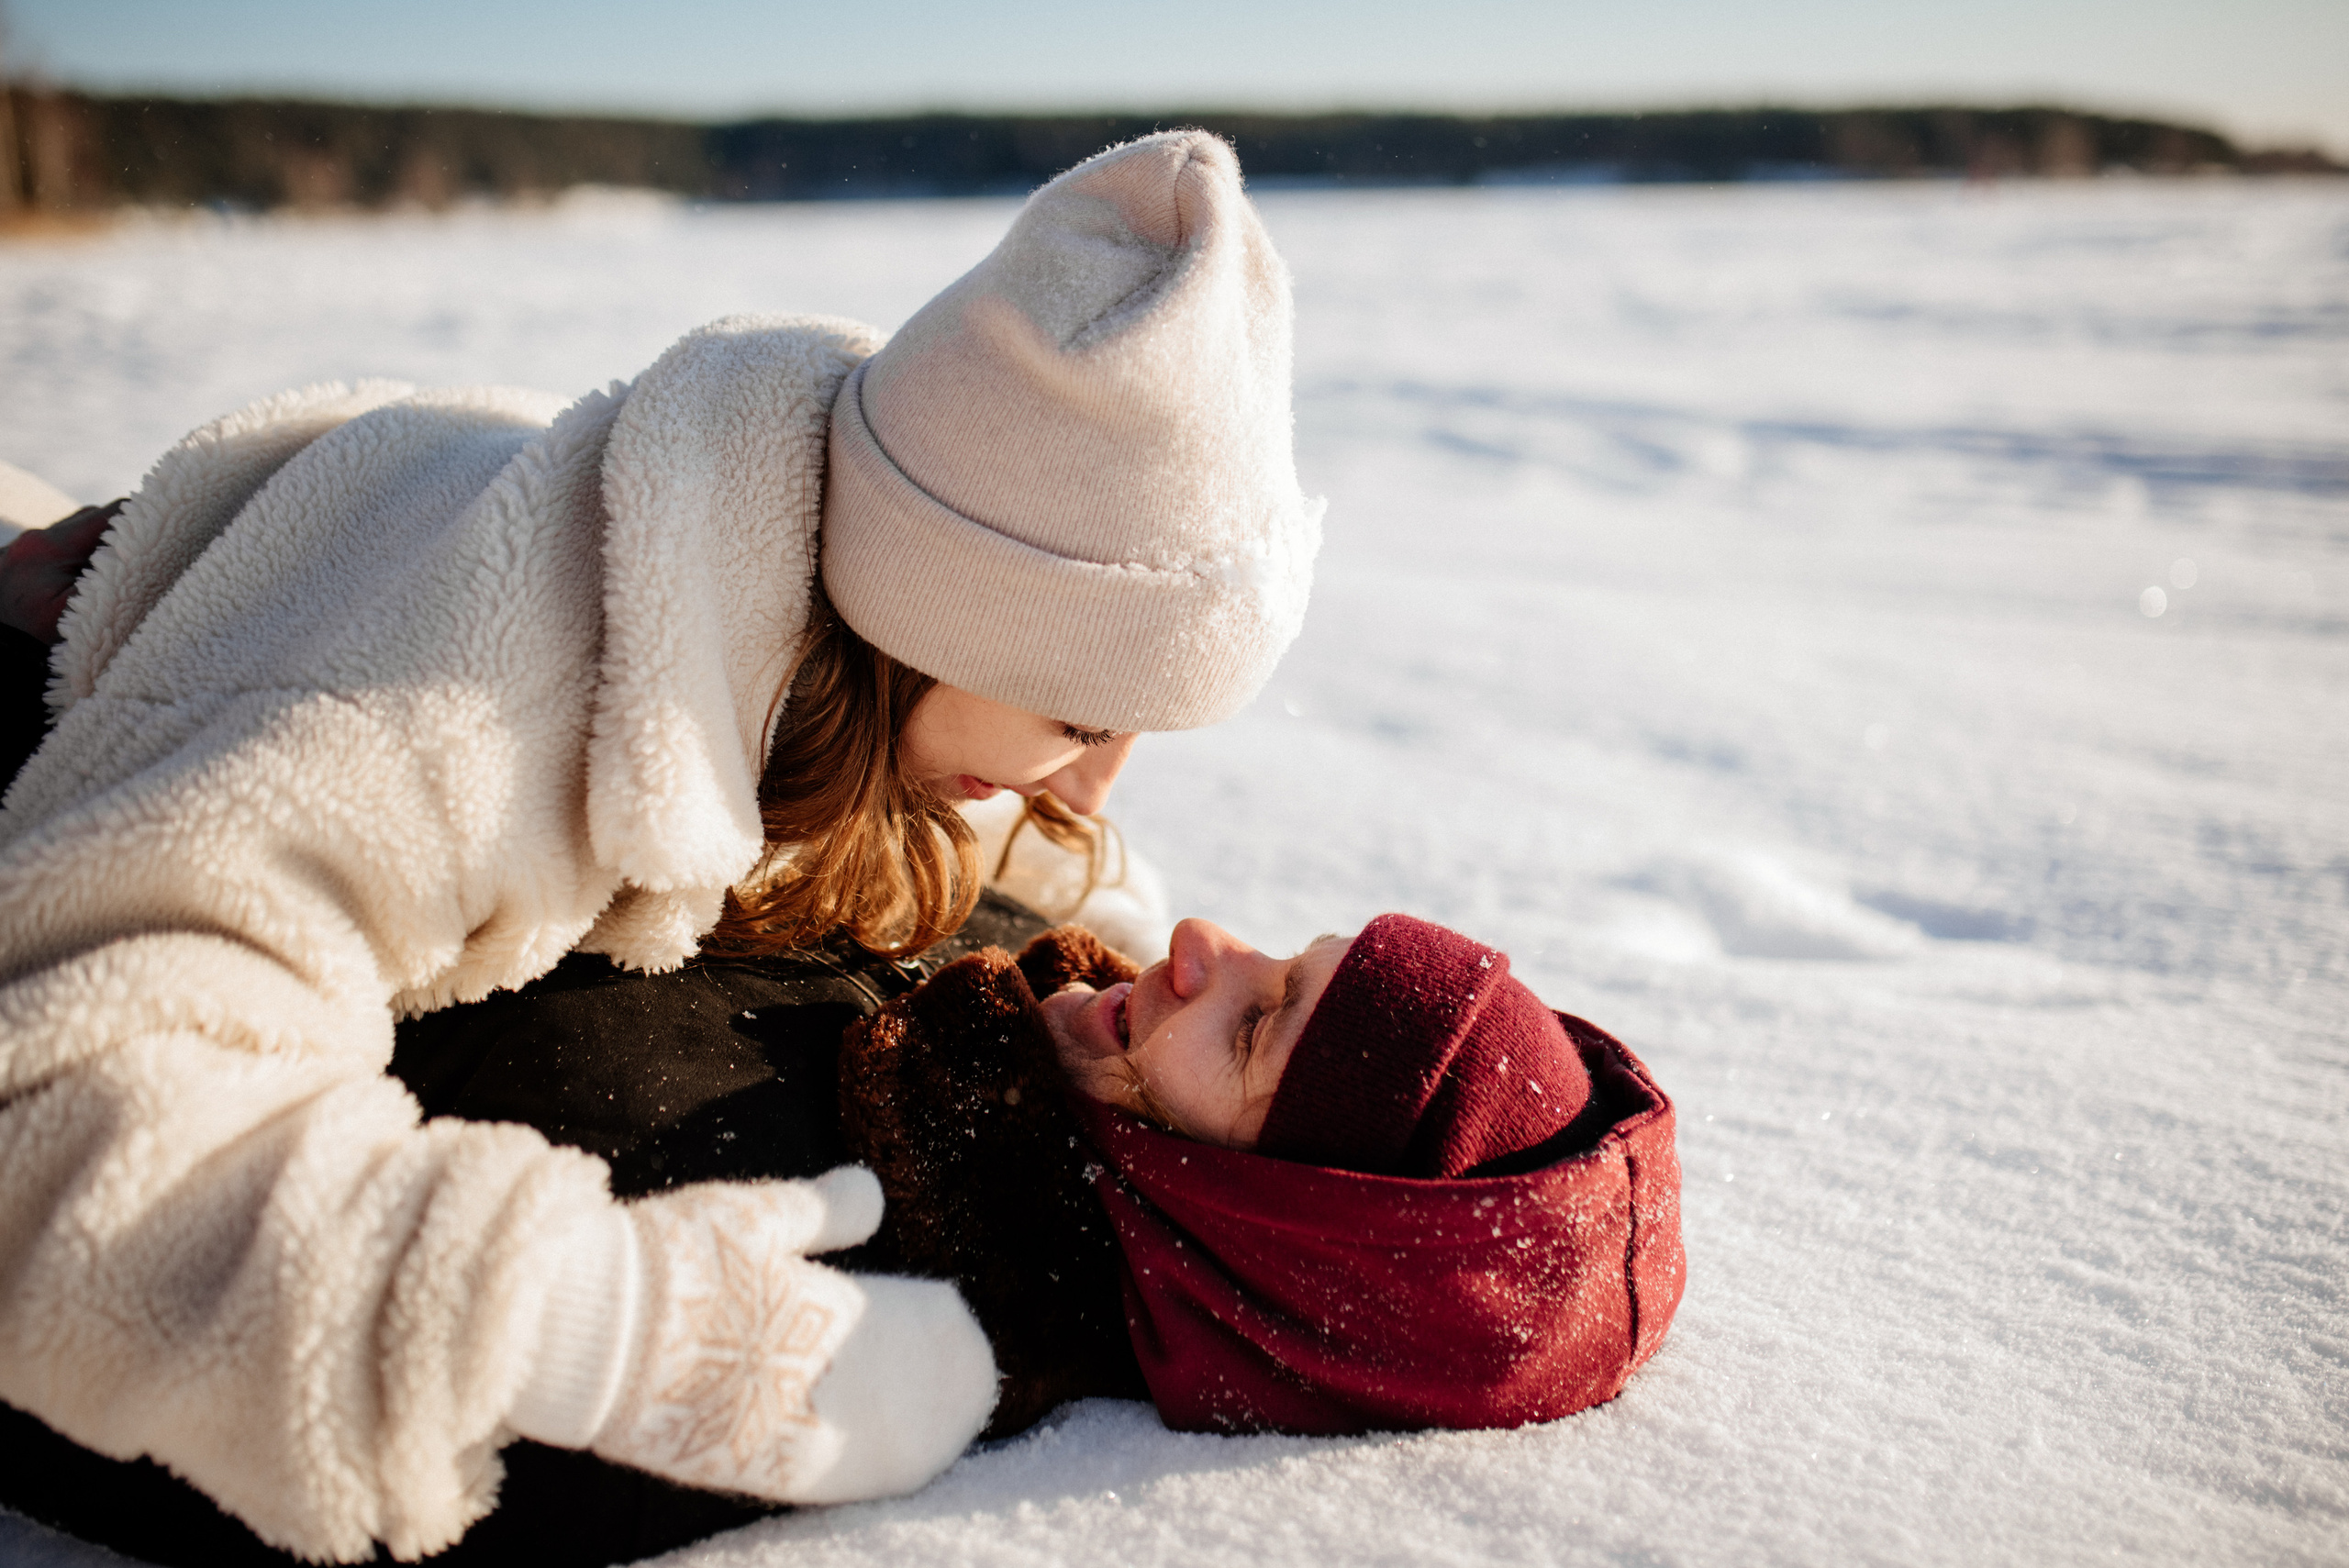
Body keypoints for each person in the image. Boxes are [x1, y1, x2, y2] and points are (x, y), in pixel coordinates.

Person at [0, 129, 1319, 1564]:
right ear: (936, 615)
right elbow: (61, 1108)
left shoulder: (838, 588)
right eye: (1081, 715)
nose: (1099, 783)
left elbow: (1004, 823)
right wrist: (607, 1327)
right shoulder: (468, 708)